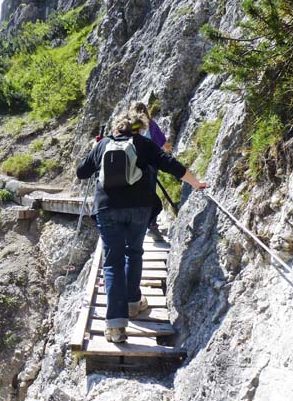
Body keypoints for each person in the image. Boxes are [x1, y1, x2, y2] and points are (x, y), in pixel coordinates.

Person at [76, 111, 206, 343]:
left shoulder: (103, 144)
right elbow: (171, 165)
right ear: (139, 128)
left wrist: (97, 151)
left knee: (112, 262)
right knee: (133, 252)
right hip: (139, 209)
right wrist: (196, 183)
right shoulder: (144, 144)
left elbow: (81, 172)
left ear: (116, 128)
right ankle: (133, 303)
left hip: (107, 209)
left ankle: (115, 327)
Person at [129, 102, 172, 241]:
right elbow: (164, 144)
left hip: (132, 165)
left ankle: (136, 224)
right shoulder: (151, 125)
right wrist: (169, 153)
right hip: (150, 166)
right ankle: (152, 225)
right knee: (150, 195)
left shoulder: (132, 125)